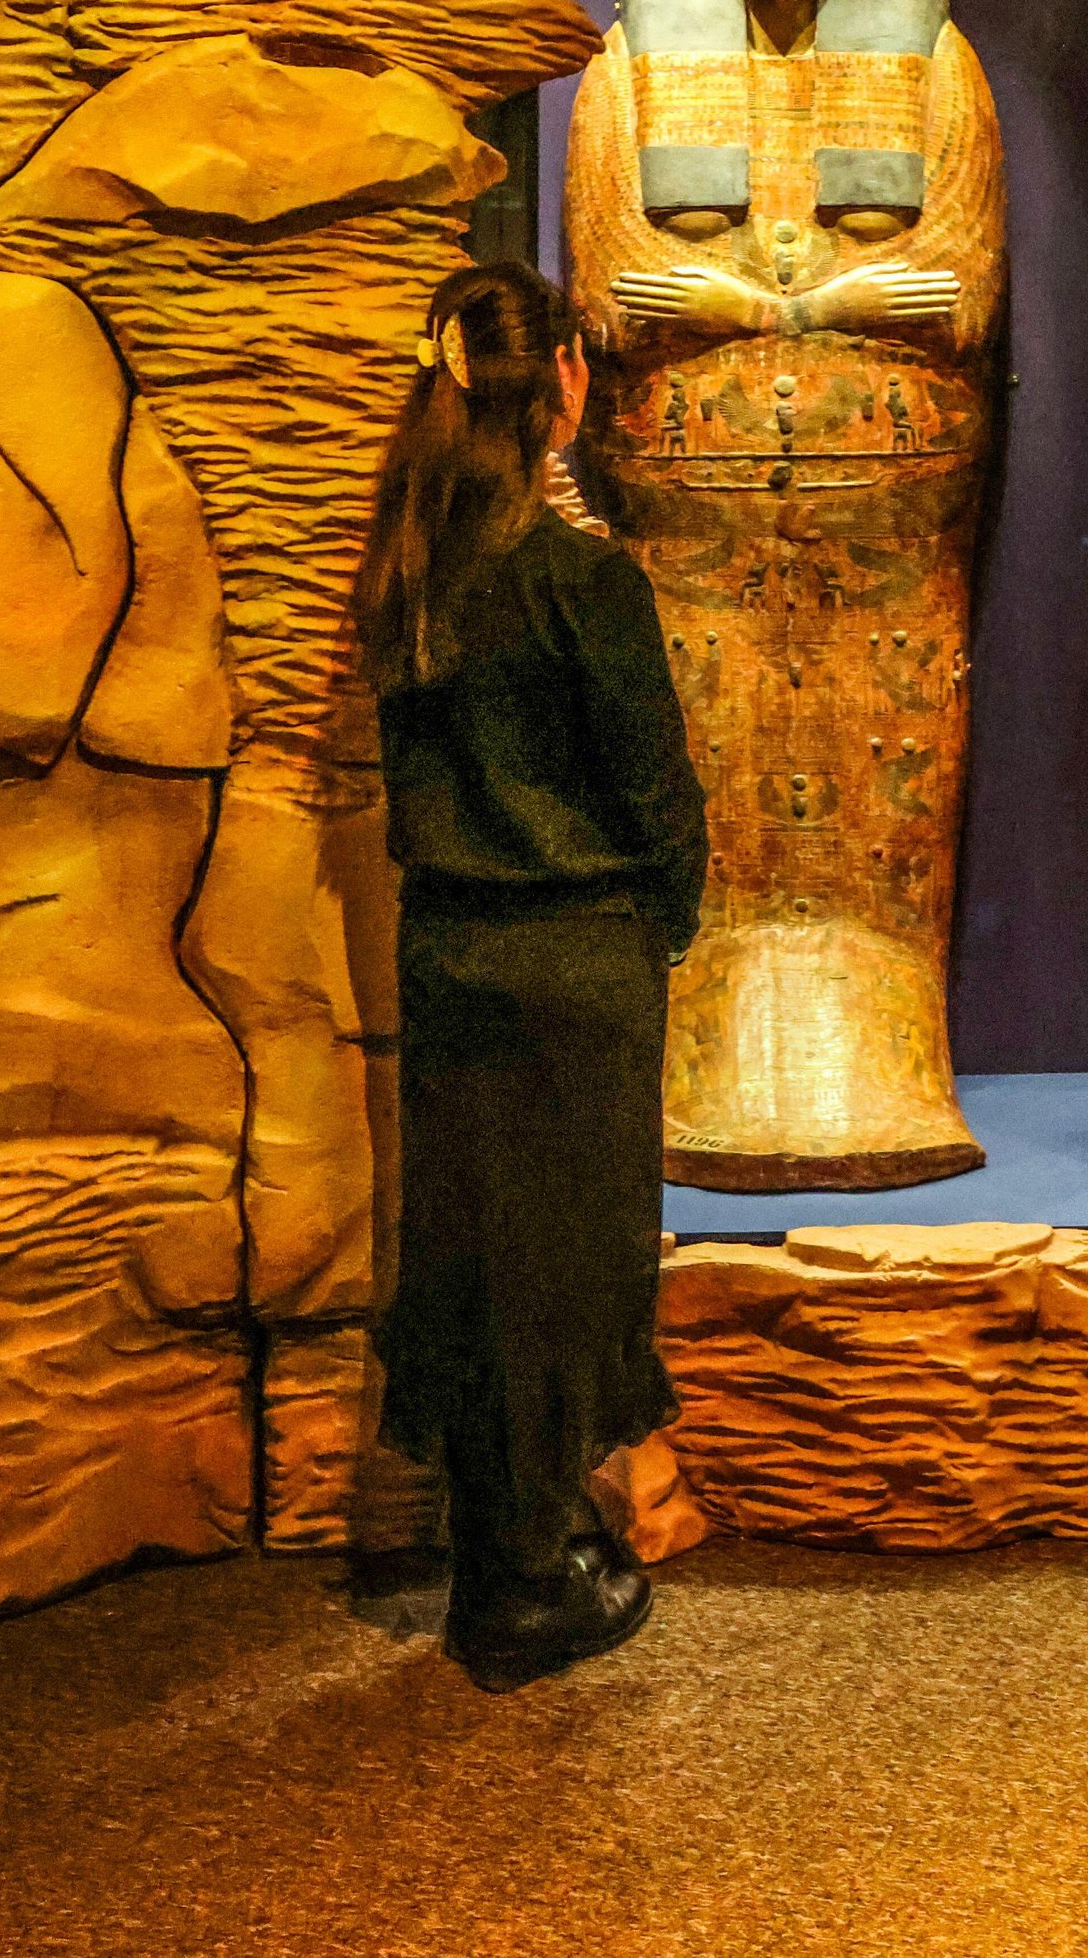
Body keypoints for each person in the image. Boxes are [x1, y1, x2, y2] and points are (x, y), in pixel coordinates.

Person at [352, 262, 710, 1688]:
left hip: (448, 950)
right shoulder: (581, 579)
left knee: (475, 1256)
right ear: (562, 378)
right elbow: (655, 787)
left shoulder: (409, 572)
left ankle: (510, 1550)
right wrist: (668, 916)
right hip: (577, 958)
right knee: (566, 1269)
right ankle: (524, 1575)